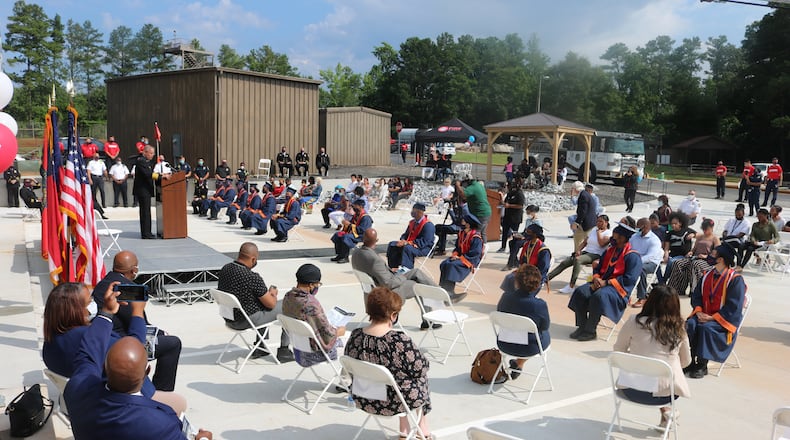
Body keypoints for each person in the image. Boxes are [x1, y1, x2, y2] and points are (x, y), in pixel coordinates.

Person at [64, 283, 211, 440]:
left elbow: (88, 352)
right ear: (147, 370)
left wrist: (106, 313)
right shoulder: (159, 422)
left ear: (104, 366)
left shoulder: (76, 388)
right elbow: (89, 352)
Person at [42, 282, 187, 416]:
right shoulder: (92, 337)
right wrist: (138, 312)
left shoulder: (50, 341)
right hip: (115, 402)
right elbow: (133, 350)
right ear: (76, 311)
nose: (93, 304)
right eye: (89, 301)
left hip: (82, 400)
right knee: (180, 403)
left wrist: (107, 312)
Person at [345, 287, 433, 439]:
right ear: (393, 315)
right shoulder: (399, 341)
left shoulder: (356, 335)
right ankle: (421, 427)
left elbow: (349, 363)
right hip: (393, 403)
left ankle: (405, 428)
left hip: (363, 397)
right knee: (418, 378)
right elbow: (421, 368)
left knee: (395, 377)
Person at [93, 251, 183, 391]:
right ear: (134, 270)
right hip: (121, 345)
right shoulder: (129, 291)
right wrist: (160, 333)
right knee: (172, 343)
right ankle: (162, 391)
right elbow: (138, 323)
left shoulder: (103, 284)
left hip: (102, 338)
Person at [613, 285, 691, 429]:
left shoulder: (633, 321)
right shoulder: (679, 327)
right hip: (664, 395)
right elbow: (686, 361)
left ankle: (666, 412)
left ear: (649, 301)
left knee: (650, 372)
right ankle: (667, 410)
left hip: (631, 389)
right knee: (665, 375)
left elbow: (618, 350)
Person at [353, 228, 459, 327]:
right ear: (376, 241)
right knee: (417, 284)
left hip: (371, 291)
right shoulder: (374, 260)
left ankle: (442, 296)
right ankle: (435, 310)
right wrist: (402, 277)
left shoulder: (356, 253)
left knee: (416, 272)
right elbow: (388, 283)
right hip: (386, 292)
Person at [217, 242, 293, 362]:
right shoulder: (252, 277)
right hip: (245, 320)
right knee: (290, 303)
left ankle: (260, 346)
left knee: (259, 303)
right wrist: (272, 293)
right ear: (253, 259)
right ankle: (284, 350)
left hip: (229, 318)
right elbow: (271, 304)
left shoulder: (225, 268)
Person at [568, 222, 642, 341]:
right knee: (580, 292)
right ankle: (582, 326)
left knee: (598, 297)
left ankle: (590, 331)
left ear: (623, 238)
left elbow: (630, 279)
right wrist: (597, 278)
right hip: (600, 283)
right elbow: (598, 267)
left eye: (615, 236)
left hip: (618, 290)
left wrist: (606, 283)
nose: (612, 238)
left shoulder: (633, 256)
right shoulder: (609, 251)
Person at [685, 244, 746, 378]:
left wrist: (712, 318)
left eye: (713, 255)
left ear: (721, 260)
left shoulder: (735, 280)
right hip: (704, 315)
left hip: (723, 320)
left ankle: (702, 364)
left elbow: (734, 307)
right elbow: (696, 296)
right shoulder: (707, 276)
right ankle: (690, 360)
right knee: (690, 324)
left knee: (706, 328)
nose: (709, 257)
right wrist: (699, 311)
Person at [283, 264, 345, 366]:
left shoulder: (288, 297)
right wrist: (339, 332)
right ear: (311, 285)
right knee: (352, 341)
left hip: (298, 350)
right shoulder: (310, 304)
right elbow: (327, 336)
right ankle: (347, 380)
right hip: (313, 354)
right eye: (317, 284)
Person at [497, 264, 551, 379]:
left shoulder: (505, 297)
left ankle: (518, 364)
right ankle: (519, 363)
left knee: (526, 331)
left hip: (504, 343)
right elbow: (545, 326)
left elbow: (500, 314)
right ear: (537, 285)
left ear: (516, 282)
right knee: (543, 333)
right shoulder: (540, 305)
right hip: (529, 348)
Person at [550, 214, 612, 294]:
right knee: (565, 262)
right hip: (586, 252)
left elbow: (601, 244)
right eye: (597, 221)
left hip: (596, 254)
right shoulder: (594, 230)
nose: (598, 223)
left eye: (601, 222)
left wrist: (599, 233)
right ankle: (546, 278)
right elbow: (584, 242)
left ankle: (571, 286)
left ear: (606, 223)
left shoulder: (608, 233)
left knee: (578, 260)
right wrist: (578, 250)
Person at [665, 218, 720, 296]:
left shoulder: (715, 239)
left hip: (707, 261)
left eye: (706, 229)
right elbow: (694, 249)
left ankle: (694, 290)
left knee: (695, 265)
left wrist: (706, 256)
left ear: (711, 228)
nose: (704, 231)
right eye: (703, 229)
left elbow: (716, 254)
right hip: (695, 257)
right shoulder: (700, 236)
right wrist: (690, 252)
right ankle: (676, 288)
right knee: (678, 263)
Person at [438, 213, 483, 296]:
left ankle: (450, 292)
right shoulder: (462, 234)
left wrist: (459, 258)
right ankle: (444, 289)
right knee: (445, 263)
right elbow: (457, 248)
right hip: (459, 257)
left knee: (452, 265)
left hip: (470, 260)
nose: (461, 222)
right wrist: (455, 255)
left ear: (468, 224)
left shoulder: (476, 237)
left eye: (463, 221)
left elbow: (475, 253)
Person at [501, 224, 551, 293]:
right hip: (526, 272)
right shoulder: (527, 244)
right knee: (510, 278)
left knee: (521, 283)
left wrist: (535, 278)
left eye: (529, 232)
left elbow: (543, 269)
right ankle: (510, 298)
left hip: (535, 276)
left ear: (535, 234)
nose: (526, 234)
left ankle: (518, 299)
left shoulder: (543, 250)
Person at [386, 203, 435, 270]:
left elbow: (425, 241)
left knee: (407, 248)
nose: (412, 213)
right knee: (393, 244)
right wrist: (402, 240)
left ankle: (406, 270)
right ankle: (393, 267)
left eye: (414, 211)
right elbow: (405, 234)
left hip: (423, 248)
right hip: (410, 244)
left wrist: (408, 243)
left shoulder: (428, 225)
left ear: (420, 212)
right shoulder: (412, 222)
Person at [629, 217, 664, 308]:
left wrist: (636, 262)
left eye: (638, 226)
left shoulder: (654, 240)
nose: (636, 228)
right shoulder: (634, 237)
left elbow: (650, 256)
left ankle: (642, 297)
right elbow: (629, 248)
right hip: (635, 260)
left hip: (651, 263)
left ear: (644, 227)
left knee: (640, 269)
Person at [133, 146, 165, 239]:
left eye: (153, 153)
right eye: (151, 153)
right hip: (143, 190)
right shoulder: (141, 161)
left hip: (146, 190)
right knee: (145, 213)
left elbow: (151, 173)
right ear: (145, 152)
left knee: (146, 212)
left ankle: (147, 232)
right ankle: (146, 233)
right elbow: (148, 174)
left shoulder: (146, 162)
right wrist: (161, 177)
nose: (152, 155)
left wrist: (160, 175)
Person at [658, 212, 696, 285]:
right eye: (672, 223)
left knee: (671, 262)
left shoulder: (687, 230)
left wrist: (693, 235)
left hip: (683, 255)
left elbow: (699, 236)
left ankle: (663, 281)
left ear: (680, 223)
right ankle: (661, 280)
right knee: (657, 263)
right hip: (672, 254)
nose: (673, 225)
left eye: (675, 223)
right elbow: (666, 248)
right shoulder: (670, 233)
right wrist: (665, 256)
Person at [331, 198, 372, 264]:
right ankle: (340, 255)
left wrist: (349, 224)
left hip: (361, 235)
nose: (353, 208)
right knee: (338, 235)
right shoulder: (356, 215)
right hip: (353, 233)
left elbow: (362, 230)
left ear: (360, 207)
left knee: (346, 237)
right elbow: (352, 224)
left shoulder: (366, 217)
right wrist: (346, 224)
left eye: (355, 206)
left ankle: (345, 257)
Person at [502, 205, 542, 270]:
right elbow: (525, 231)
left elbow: (538, 234)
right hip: (525, 236)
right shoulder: (528, 220)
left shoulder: (538, 222)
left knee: (517, 244)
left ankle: (510, 264)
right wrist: (518, 235)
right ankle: (515, 262)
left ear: (533, 212)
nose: (528, 214)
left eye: (528, 213)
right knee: (511, 242)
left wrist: (525, 237)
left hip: (532, 238)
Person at [459, 174, 492, 243]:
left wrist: (457, 185)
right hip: (486, 212)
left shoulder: (472, 187)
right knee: (482, 233)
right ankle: (484, 248)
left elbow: (463, 195)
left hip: (480, 214)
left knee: (476, 233)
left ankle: (477, 249)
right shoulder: (478, 185)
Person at [498, 179, 525, 253]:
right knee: (505, 232)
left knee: (515, 233)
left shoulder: (519, 194)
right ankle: (503, 247)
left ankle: (513, 248)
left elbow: (520, 205)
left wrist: (510, 205)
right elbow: (506, 202)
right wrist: (501, 200)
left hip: (515, 217)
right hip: (507, 216)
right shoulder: (509, 194)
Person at [572, 181, 598, 252]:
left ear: (576, 189)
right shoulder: (584, 194)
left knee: (589, 241)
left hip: (588, 223)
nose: (572, 190)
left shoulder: (583, 196)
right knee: (577, 237)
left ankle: (589, 255)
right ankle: (576, 253)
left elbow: (583, 211)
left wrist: (576, 222)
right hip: (584, 223)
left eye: (573, 189)